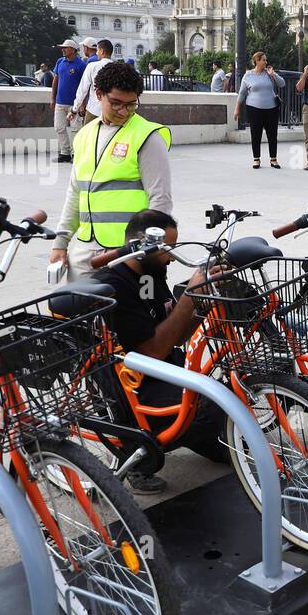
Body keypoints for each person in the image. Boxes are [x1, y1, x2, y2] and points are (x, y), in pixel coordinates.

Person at [91, 209, 229, 493]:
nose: (171, 256)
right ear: (142, 244)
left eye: (173, 248)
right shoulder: (113, 286)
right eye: (166, 248)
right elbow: (151, 352)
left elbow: (176, 335)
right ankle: (133, 454)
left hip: (162, 368)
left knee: (227, 432)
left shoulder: (150, 272)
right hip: (133, 384)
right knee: (201, 409)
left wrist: (203, 300)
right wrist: (189, 297)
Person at [50, 60, 172, 281]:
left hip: (129, 251)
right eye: (116, 103)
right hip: (85, 250)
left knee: (129, 315)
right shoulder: (85, 135)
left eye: (131, 104)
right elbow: (75, 193)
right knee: (73, 309)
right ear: (98, 94)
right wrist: (61, 243)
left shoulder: (148, 136)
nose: (124, 111)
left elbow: (160, 200)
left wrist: (149, 250)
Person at [235, 50, 282, 170]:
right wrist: (237, 109)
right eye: (263, 60)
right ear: (257, 61)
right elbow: (242, 93)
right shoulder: (248, 75)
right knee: (256, 134)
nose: (266, 62)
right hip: (254, 108)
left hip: (271, 108)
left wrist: (273, 74)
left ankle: (273, 159)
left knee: (272, 135)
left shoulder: (269, 73)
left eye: (266, 60)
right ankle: (256, 159)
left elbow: (282, 84)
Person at [50, 39, 86, 163]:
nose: (63, 50)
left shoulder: (81, 65)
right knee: (59, 127)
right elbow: (55, 80)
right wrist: (52, 98)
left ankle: (76, 153)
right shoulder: (60, 62)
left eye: (65, 48)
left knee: (76, 129)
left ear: (72, 49)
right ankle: (65, 153)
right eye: (62, 48)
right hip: (60, 102)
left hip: (74, 104)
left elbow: (85, 86)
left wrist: (82, 104)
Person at [71, 38, 114, 125]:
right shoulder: (119, 68)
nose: (96, 53)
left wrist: (74, 109)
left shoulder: (92, 66)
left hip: (94, 110)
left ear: (101, 51)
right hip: (112, 111)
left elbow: (82, 90)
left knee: (88, 137)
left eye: (97, 50)